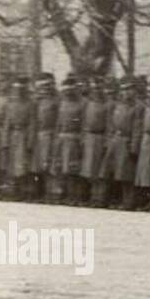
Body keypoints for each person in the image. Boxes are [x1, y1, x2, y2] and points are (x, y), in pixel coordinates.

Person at [101, 79, 139, 209]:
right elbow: (110, 125)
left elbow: (137, 128)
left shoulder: (137, 107)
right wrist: (108, 142)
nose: (127, 92)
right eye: (124, 89)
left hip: (127, 141)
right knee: (112, 171)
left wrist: (133, 146)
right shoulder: (117, 106)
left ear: (134, 91)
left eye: (129, 89)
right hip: (115, 141)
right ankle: (113, 199)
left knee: (127, 174)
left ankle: (129, 201)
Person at [55, 76, 86, 206]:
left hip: (74, 138)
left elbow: (84, 124)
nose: (68, 92)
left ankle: (76, 196)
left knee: (74, 169)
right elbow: (58, 122)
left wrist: (81, 140)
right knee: (62, 168)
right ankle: (65, 194)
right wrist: (57, 138)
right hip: (62, 138)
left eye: (71, 90)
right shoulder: (62, 102)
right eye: (66, 90)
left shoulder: (83, 103)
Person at [132, 78, 150, 210]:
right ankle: (146, 199)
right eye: (149, 92)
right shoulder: (144, 107)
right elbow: (138, 126)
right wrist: (135, 145)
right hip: (145, 141)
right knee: (145, 172)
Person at [2, 76, 34, 201]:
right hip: (12, 137)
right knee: (11, 165)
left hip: (23, 137)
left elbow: (32, 124)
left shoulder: (30, 104)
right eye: (17, 89)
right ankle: (12, 190)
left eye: (21, 89)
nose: (19, 92)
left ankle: (23, 191)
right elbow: (6, 124)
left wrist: (30, 142)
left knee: (22, 165)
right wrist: (5, 141)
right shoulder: (10, 104)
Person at [80, 77, 109, 206]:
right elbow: (83, 122)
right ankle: (93, 195)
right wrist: (83, 138)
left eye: (99, 88)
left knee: (100, 169)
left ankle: (100, 197)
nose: (96, 90)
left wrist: (106, 142)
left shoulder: (107, 104)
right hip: (89, 138)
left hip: (100, 137)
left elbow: (109, 125)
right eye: (94, 88)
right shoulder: (87, 104)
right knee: (89, 169)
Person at [30, 74, 58, 203]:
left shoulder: (56, 100)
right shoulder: (36, 101)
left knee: (50, 165)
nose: (45, 89)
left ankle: (51, 193)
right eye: (42, 86)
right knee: (37, 165)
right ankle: (38, 192)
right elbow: (33, 120)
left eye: (48, 86)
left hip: (50, 135)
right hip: (38, 135)